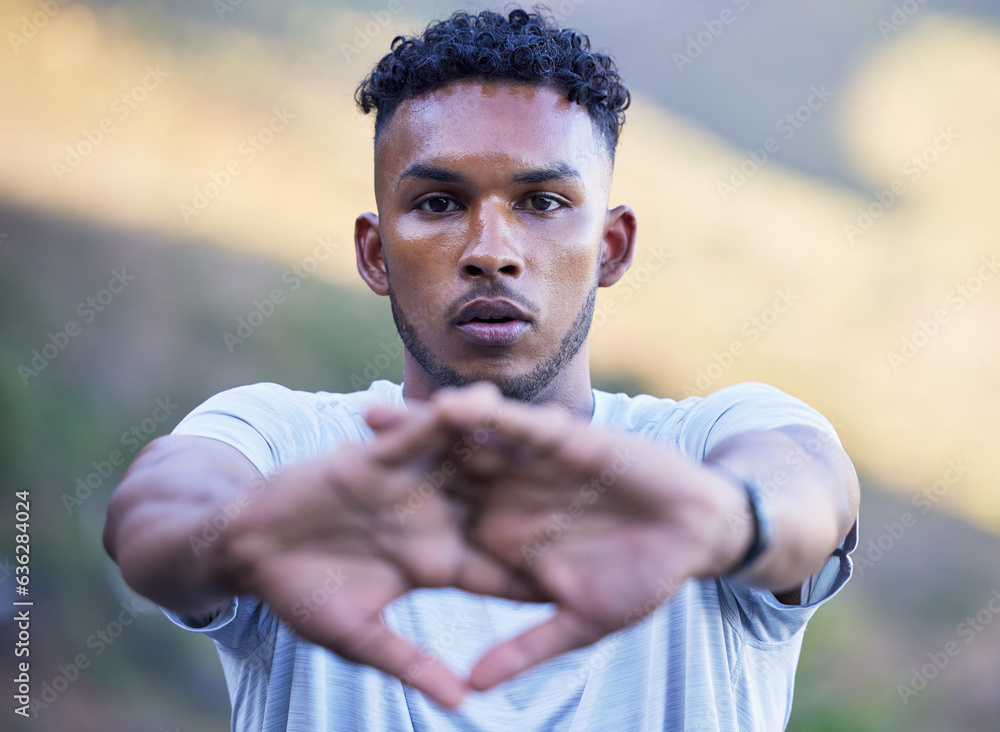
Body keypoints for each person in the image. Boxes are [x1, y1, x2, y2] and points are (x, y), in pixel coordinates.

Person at [103, 8, 860, 731]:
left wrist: (724, 524)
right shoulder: (287, 445)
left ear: (611, 247)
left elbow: (810, 490)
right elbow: (152, 514)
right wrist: (246, 533)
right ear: (374, 254)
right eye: (438, 201)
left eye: (542, 201)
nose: (490, 250)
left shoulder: (704, 448)